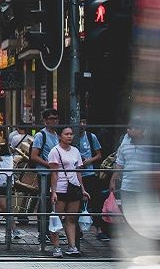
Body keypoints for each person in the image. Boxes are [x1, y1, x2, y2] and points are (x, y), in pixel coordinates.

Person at [48, 126, 90, 258]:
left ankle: (72, 246)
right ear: (60, 136)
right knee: (57, 218)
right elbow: (54, 174)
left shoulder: (76, 151)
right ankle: (56, 247)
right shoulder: (54, 151)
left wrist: (83, 189)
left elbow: (78, 172)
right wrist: (53, 192)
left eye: (71, 134)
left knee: (71, 219)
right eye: (66, 134)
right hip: (60, 188)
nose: (69, 136)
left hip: (74, 187)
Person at [74, 117, 110, 241]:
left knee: (96, 202)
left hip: (89, 174)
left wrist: (89, 161)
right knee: (75, 203)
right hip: (74, 176)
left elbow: (99, 154)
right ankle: (77, 231)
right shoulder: (69, 136)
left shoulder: (91, 136)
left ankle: (99, 229)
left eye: (84, 122)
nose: (82, 124)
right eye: (80, 122)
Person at [29, 109, 61, 241]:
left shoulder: (56, 135)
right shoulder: (41, 135)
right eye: (51, 118)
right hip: (44, 174)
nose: (54, 121)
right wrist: (48, 164)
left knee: (52, 203)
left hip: (54, 174)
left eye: (56, 118)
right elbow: (34, 156)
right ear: (45, 120)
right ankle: (42, 232)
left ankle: (50, 230)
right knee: (44, 203)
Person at [109, 118, 146, 213]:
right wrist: (113, 180)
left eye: (131, 128)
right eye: (128, 128)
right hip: (127, 187)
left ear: (141, 129)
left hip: (144, 188)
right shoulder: (124, 146)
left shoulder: (149, 146)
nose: (128, 130)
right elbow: (119, 165)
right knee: (128, 215)